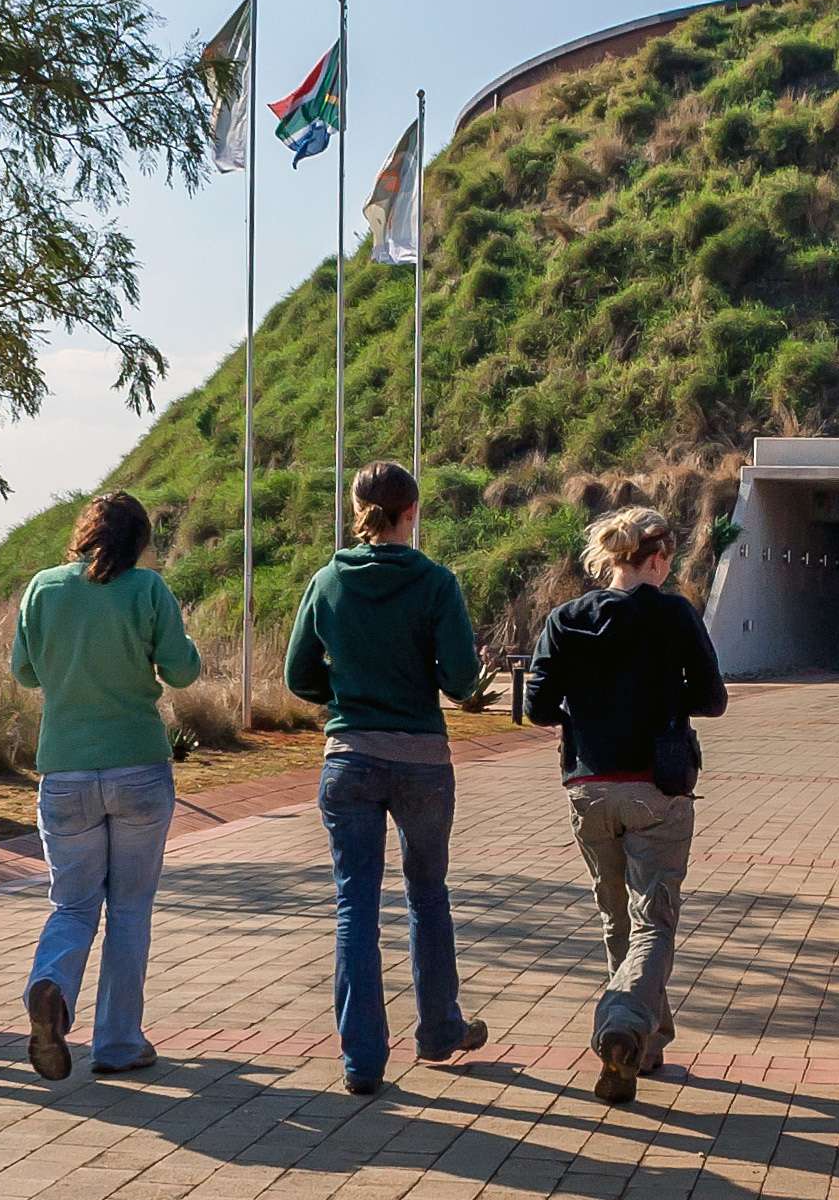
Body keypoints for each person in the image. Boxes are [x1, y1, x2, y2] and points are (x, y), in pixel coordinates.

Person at [285, 461, 489, 1095]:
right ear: (413, 512)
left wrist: (344, 691)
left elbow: (300, 675)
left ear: (357, 510)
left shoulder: (327, 580)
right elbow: (460, 679)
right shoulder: (435, 583)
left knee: (356, 905)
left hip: (349, 757)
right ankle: (437, 1031)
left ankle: (363, 1061)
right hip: (422, 760)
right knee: (427, 893)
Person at [524, 506, 728, 1104]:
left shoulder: (567, 618)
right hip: (657, 790)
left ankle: (649, 1042)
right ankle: (622, 1025)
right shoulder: (674, 615)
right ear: (659, 557)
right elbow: (713, 699)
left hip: (588, 789)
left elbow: (537, 707)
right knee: (655, 922)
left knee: (620, 920)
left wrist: (587, 709)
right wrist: (668, 694)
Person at [12, 492, 202, 1081]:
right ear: (139, 541)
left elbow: (23, 671)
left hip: (65, 769)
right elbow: (183, 671)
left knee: (72, 902)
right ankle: (118, 1041)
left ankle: (52, 987)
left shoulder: (44, 588)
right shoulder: (147, 590)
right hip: (139, 767)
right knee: (129, 908)